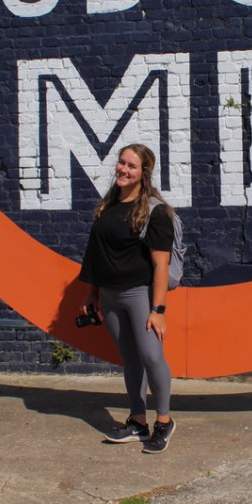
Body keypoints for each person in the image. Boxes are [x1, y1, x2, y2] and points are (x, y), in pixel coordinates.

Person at [79, 143, 177, 454]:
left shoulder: (155, 212)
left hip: (140, 295)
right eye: (122, 163)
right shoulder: (108, 205)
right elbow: (97, 252)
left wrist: (157, 309)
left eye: (131, 166)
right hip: (109, 296)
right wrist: (93, 292)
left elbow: (161, 264)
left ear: (142, 173)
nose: (123, 169)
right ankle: (138, 422)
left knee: (151, 355)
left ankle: (164, 422)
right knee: (131, 359)